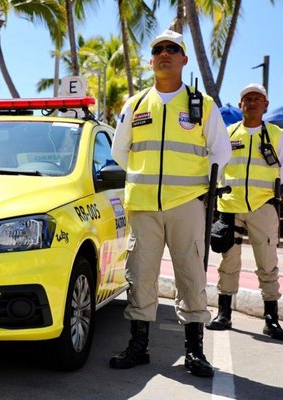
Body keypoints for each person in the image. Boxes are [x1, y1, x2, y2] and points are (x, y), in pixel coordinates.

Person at [109, 29, 231, 377]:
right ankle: (138, 346)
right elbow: (121, 152)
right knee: (140, 275)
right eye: (158, 49)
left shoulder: (201, 104)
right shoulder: (135, 104)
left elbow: (221, 152)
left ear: (183, 59)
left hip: (187, 204)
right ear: (151, 60)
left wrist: (201, 192)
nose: (165, 54)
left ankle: (194, 351)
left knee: (191, 276)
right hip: (144, 206)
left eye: (172, 49)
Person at [206, 83, 283, 340]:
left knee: (268, 263)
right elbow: (214, 167)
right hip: (230, 207)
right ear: (240, 105)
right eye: (247, 99)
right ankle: (224, 313)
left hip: (264, 207)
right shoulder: (228, 134)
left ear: (265, 105)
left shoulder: (276, 135)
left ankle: (270, 318)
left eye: (257, 99)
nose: (251, 103)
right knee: (228, 263)